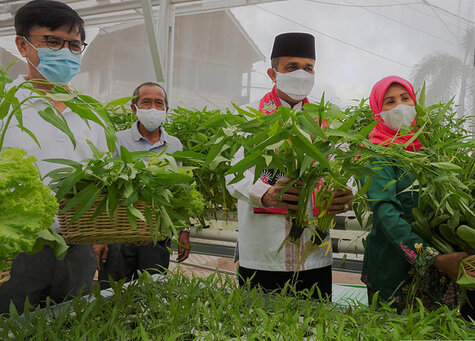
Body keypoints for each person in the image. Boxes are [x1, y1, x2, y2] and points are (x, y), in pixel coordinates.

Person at [225, 32, 353, 300]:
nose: (301, 74)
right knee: (259, 327)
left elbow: (345, 171)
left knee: (314, 328)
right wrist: (265, 193)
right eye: (291, 67)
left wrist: (346, 191)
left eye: (308, 68)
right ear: (273, 74)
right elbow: (233, 177)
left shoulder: (326, 122)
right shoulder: (250, 117)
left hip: (315, 253)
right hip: (263, 254)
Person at [0, 0, 107, 313]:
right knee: (12, 324)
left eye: (74, 45)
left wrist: (99, 234)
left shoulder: (92, 115)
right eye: (53, 41)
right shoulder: (7, 109)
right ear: (22, 44)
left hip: (78, 248)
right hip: (17, 250)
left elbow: (101, 180)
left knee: (77, 323)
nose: (65, 51)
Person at [361, 75, 471, 311]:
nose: (400, 106)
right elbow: (385, 213)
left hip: (440, 269)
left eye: (405, 98)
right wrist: (432, 258)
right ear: (377, 111)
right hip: (394, 268)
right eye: (389, 102)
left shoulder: (428, 151)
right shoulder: (374, 155)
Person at [97, 82, 190, 288]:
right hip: (119, 234)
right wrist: (100, 238)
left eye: (159, 103)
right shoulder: (117, 141)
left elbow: (179, 190)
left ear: (166, 110)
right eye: (146, 102)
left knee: (152, 293)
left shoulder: (174, 145)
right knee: (112, 293)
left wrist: (183, 230)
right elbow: (103, 189)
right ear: (134, 108)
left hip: (157, 234)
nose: (153, 108)